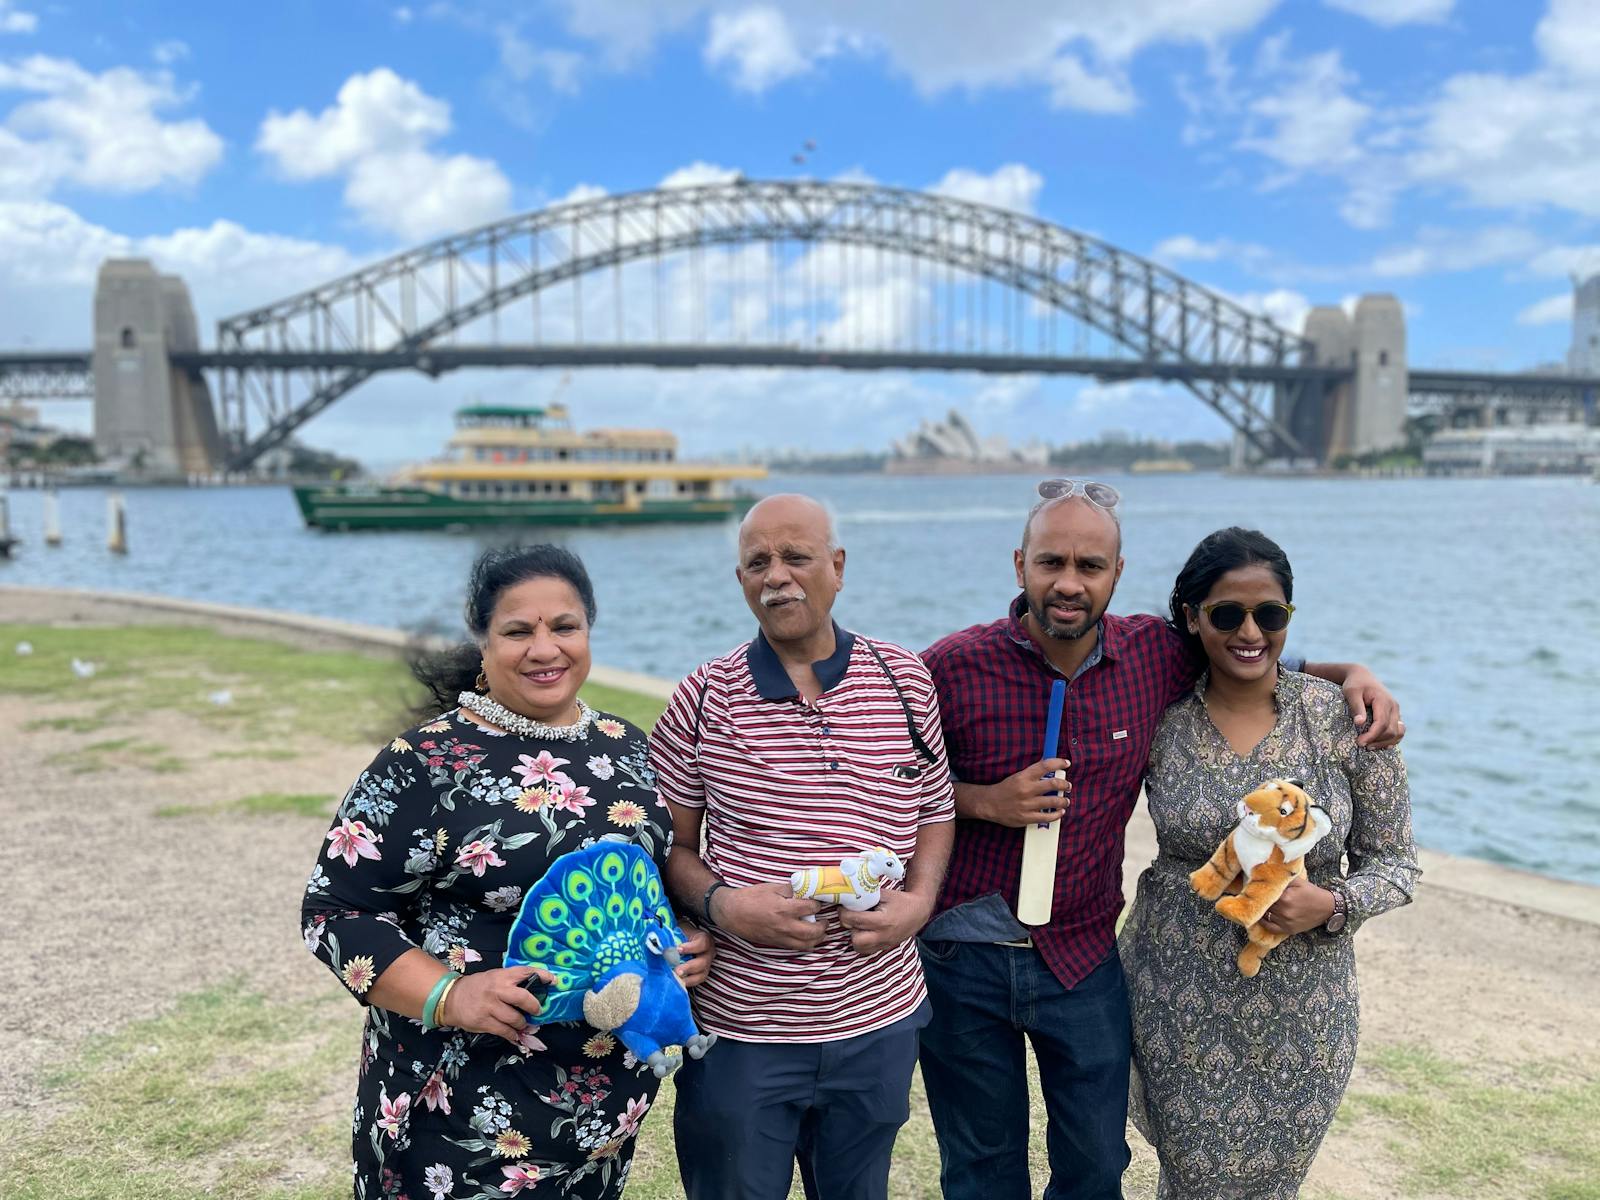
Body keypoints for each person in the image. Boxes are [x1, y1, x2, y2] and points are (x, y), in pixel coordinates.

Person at [918, 480, 1404, 1200]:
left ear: (1118, 574)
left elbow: (1250, 655)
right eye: (1053, 562)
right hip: (964, 951)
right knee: (982, 1168)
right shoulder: (951, 668)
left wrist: (1353, 672)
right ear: (1020, 565)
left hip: (1081, 956)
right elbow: (884, 788)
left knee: (1095, 1165)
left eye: (1091, 566)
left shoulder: (1153, 657)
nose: (1070, 583)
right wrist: (984, 800)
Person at [300, 544, 712, 1200]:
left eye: (565, 627)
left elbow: (647, 885)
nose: (545, 648)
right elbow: (334, 912)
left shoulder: (628, 747)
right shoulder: (423, 763)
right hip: (459, 1113)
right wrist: (449, 994)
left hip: (602, 1114)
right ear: (483, 641)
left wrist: (683, 940)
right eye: (518, 630)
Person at [648, 493, 955, 1200]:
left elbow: (937, 809)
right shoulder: (701, 698)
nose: (777, 577)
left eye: (797, 557)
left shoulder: (906, 682)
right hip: (742, 1031)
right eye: (758, 562)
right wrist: (725, 908)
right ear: (740, 580)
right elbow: (669, 847)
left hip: (879, 1021)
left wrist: (919, 902)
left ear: (837, 567)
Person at [1119, 527, 1416, 1197]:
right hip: (1177, 1002)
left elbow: (1397, 863)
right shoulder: (1159, 716)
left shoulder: (1341, 716)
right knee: (1193, 1179)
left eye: (1270, 614)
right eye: (1228, 614)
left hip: (1305, 1014)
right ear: (1193, 619)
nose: (1249, 631)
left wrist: (1333, 904)